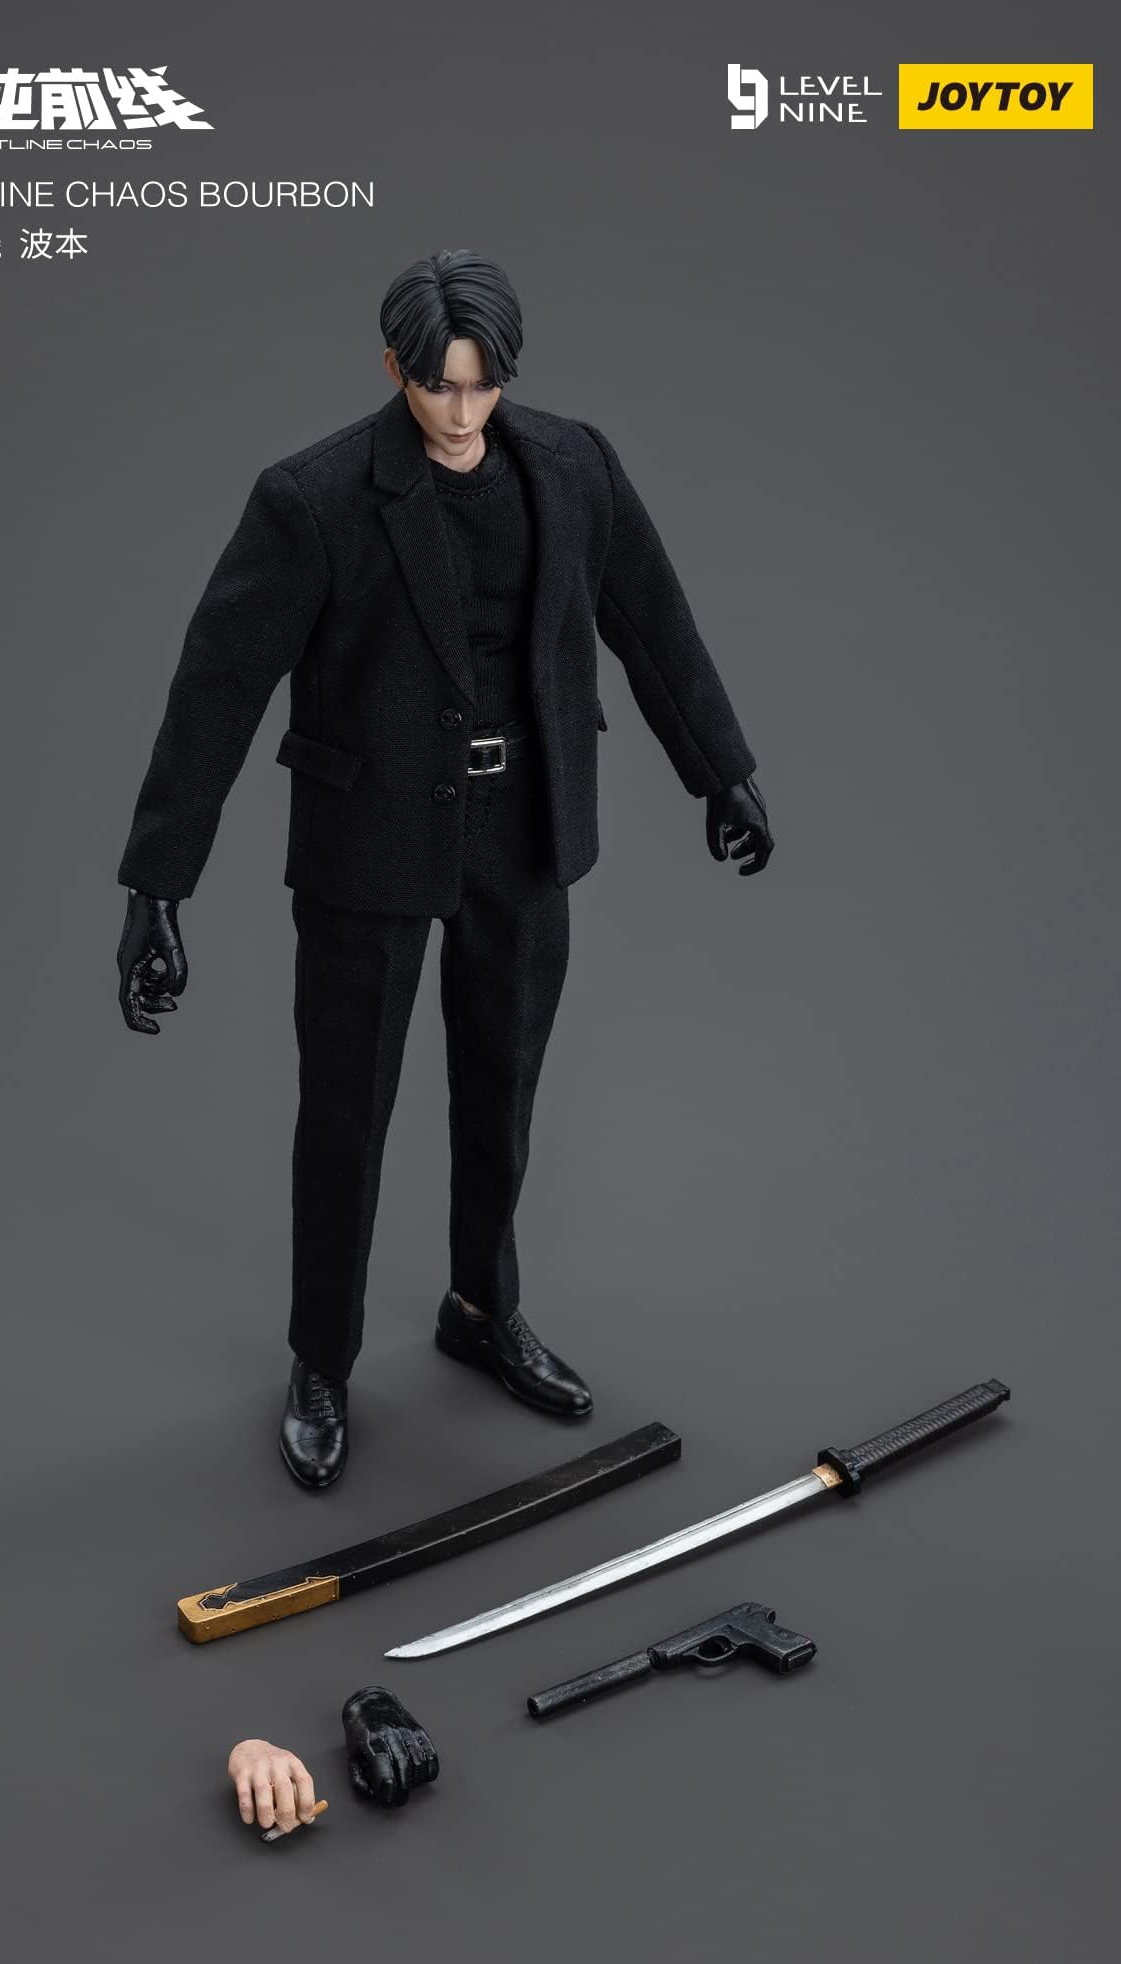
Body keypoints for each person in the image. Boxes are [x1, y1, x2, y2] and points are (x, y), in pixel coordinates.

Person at [116, 248, 772, 1490]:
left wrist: (718, 769)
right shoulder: (313, 497)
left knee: (501, 1086)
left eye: (481, 384)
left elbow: (647, 615)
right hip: (370, 837)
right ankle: (321, 1357)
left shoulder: (572, 465)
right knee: (345, 1110)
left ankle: (482, 1307)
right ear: (393, 368)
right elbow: (217, 686)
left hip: (524, 828)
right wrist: (158, 883)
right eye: (436, 386)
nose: (460, 412)